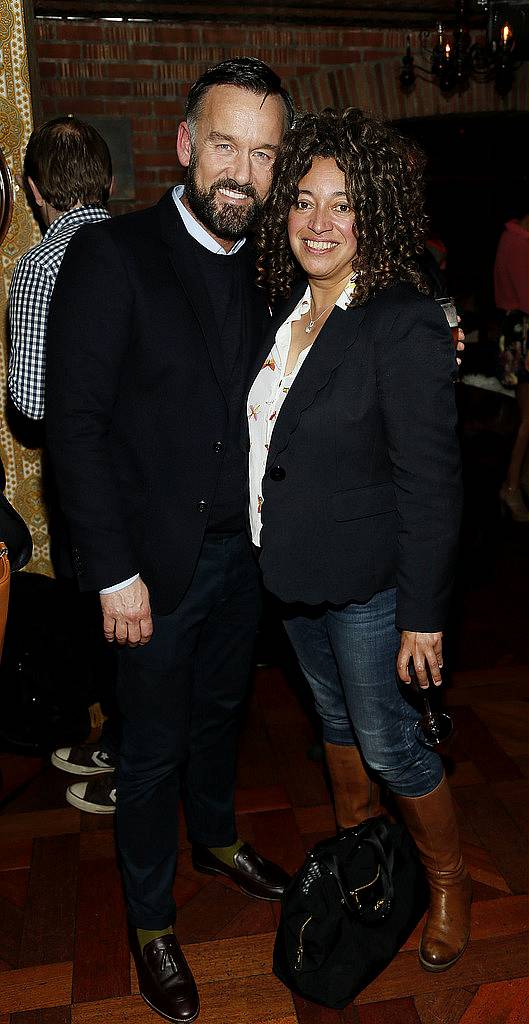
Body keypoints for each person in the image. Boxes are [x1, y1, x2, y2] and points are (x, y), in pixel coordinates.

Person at [45, 58, 294, 1024]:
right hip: (147, 569)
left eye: (262, 154)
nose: (242, 171)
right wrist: (111, 572)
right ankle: (151, 924)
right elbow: (74, 424)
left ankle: (219, 839)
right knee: (147, 755)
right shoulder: (115, 255)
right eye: (225, 145)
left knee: (220, 713)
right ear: (186, 146)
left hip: (242, 558)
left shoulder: (272, 262)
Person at [248, 107, 471, 974]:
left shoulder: (401, 320)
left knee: (387, 741)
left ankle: (448, 879)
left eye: (340, 205)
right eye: (302, 201)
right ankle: (363, 860)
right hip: (295, 575)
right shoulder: (284, 313)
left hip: (374, 586)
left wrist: (423, 615)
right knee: (333, 719)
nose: (317, 223)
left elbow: (430, 482)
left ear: (370, 213)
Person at [8, 115, 121, 807]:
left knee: (103, 610)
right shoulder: (146, 247)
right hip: (156, 472)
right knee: (143, 614)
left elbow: (29, 403)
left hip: (86, 474)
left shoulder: (40, 265)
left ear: (31, 190)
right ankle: (125, 735)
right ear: (108, 183)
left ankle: (131, 756)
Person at [493, 207, 529, 522]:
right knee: (528, 418)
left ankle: (519, 482)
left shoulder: (512, 236)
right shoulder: (519, 242)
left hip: (516, 330)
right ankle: (512, 486)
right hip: (523, 334)